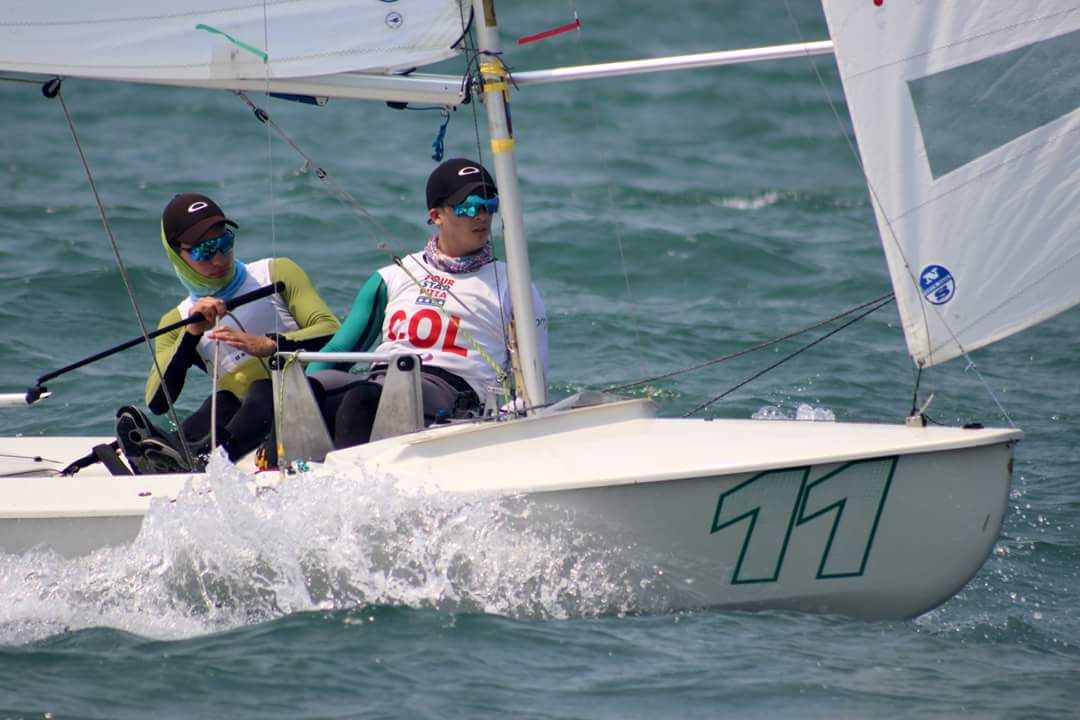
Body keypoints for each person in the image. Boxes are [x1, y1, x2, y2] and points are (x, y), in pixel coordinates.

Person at [306, 157, 549, 448]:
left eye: (489, 205)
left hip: (453, 395)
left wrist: (507, 423)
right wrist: (300, 394)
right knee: (289, 390)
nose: (482, 216)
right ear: (436, 216)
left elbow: (535, 380)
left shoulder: (514, 285)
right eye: (469, 207)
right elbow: (336, 352)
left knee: (362, 400)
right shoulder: (392, 277)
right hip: (379, 382)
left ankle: (349, 474)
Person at [115, 192, 340, 473]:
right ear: (177, 255)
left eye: (224, 243)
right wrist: (191, 335)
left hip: (313, 400)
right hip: (251, 421)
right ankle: (170, 453)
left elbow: (332, 330)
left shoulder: (276, 273)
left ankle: (202, 461)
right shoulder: (178, 319)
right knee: (221, 401)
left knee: (263, 388)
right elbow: (157, 402)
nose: (219, 259)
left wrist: (270, 344)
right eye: (204, 252)